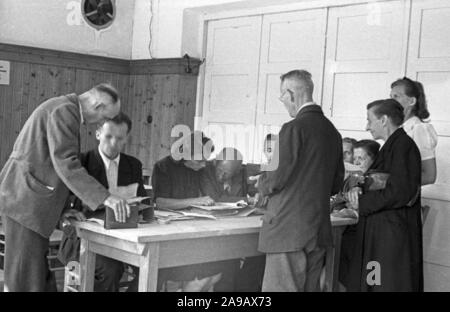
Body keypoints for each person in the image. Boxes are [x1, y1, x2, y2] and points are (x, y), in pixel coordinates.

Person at [0, 83, 131, 292]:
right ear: (97, 106)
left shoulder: (63, 109)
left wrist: (61, 210)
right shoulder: (64, 111)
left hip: (28, 202)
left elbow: (49, 165)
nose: (103, 122)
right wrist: (106, 198)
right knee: (24, 280)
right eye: (106, 117)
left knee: (36, 277)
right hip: (25, 204)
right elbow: (66, 164)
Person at [253, 70, 344, 292]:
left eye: (282, 98)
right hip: (318, 231)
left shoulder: (292, 128)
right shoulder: (332, 132)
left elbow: (275, 178)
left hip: (287, 231)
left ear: (291, 94)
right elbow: (335, 185)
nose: (284, 103)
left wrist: (261, 183)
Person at [60, 112, 148, 292]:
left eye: (120, 138)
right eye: (108, 136)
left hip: (123, 238)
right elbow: (62, 200)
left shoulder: (133, 165)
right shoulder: (80, 164)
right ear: (98, 134)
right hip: (82, 239)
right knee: (111, 269)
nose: (114, 143)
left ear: (126, 139)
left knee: (150, 264)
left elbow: (143, 202)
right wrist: (65, 212)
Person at [343, 99, 423, 292]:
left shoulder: (404, 146)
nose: (367, 126)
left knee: (385, 285)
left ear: (384, 119)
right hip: (379, 232)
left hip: (390, 237)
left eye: (370, 120)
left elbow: (402, 191)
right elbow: (377, 180)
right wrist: (358, 189)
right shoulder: (391, 146)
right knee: (374, 282)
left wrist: (362, 202)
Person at [151, 131, 228, 292]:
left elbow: (213, 196)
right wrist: (196, 201)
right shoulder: (163, 166)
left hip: (194, 224)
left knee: (216, 270)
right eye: (199, 160)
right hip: (169, 229)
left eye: (205, 160)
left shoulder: (200, 168)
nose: (203, 164)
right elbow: (160, 202)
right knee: (190, 273)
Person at [200, 147, 265, 292]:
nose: (222, 176)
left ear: (236, 172)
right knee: (225, 265)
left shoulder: (242, 173)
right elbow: (215, 199)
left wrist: (256, 195)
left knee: (257, 255)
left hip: (239, 227)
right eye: (220, 171)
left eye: (227, 174)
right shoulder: (206, 170)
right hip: (212, 230)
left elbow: (255, 192)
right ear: (216, 163)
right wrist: (247, 200)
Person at [390, 77, 438, 185]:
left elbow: (429, 176)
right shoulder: (399, 129)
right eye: (390, 97)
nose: (390, 101)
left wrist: (391, 184)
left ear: (412, 101)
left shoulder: (419, 129)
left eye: (396, 96)